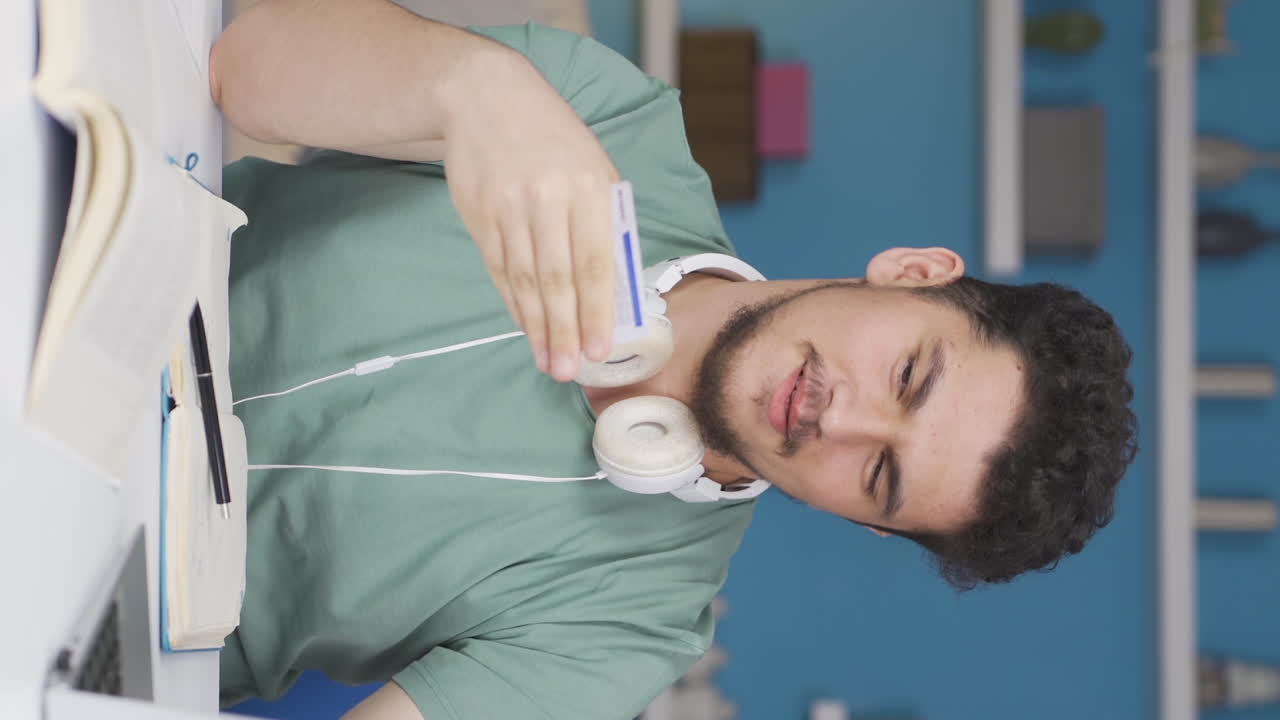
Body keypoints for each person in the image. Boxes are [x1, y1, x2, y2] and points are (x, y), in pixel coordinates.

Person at [211, 2, 1139, 718]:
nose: (841, 419)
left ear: (870, 526)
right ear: (913, 274)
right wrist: (476, 89)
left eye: (881, 474)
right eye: (907, 376)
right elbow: (240, 67)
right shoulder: (611, 121)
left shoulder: (631, 633)